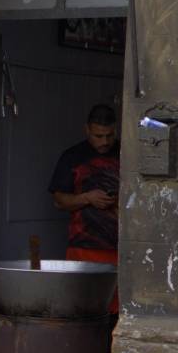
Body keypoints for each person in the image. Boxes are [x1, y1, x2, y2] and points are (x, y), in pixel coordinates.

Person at [50, 104, 120, 266]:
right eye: (98, 136)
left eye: (109, 136)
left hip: (124, 244)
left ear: (115, 129)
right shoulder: (72, 156)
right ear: (87, 130)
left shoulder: (127, 153)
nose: (105, 141)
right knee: (85, 291)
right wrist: (88, 198)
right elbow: (59, 201)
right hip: (84, 246)